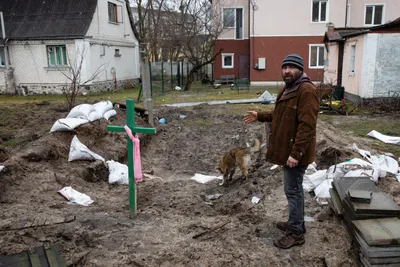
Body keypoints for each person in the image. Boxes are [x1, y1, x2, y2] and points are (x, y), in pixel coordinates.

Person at [243, 54, 319, 249]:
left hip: (295, 153)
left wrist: (296, 154)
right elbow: (280, 116)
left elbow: (307, 126)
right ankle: (295, 223)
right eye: (284, 67)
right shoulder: (287, 88)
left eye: (291, 67)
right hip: (288, 151)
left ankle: (296, 233)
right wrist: (260, 115)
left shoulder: (306, 90)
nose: (287, 71)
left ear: (300, 70)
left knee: (293, 192)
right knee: (292, 191)